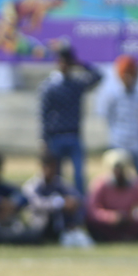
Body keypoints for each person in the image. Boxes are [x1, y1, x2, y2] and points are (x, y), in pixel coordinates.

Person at [40, 46, 102, 194]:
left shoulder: (76, 84)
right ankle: (59, 204)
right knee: (57, 177)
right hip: (55, 136)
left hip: (74, 135)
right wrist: (43, 139)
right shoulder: (49, 86)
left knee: (79, 176)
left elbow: (98, 76)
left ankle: (80, 204)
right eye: (62, 61)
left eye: (67, 61)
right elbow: (43, 114)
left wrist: (80, 64)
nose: (64, 65)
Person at [85, 149, 138, 243]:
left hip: (129, 223)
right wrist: (111, 217)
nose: (119, 173)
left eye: (121, 169)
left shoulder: (137, 185)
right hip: (108, 226)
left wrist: (133, 218)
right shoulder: (100, 185)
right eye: (116, 169)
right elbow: (92, 211)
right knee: (94, 226)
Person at [23, 153, 88, 245]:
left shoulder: (59, 182)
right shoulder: (32, 185)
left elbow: (77, 196)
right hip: (39, 225)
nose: (51, 170)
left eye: (54, 167)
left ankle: (72, 231)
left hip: (59, 225)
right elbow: (38, 204)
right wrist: (61, 202)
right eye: (48, 167)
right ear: (42, 167)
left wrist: (72, 201)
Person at [102, 54, 138, 176]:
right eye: (126, 74)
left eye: (131, 74)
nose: (128, 78)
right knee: (116, 176)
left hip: (135, 143)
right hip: (118, 142)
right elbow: (108, 117)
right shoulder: (113, 95)